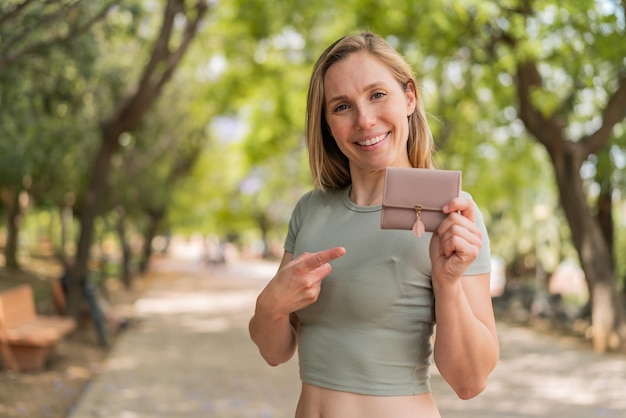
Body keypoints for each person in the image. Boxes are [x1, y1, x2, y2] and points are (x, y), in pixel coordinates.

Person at [249, 31, 499, 418]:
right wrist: (270, 306)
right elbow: (274, 351)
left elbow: (470, 382)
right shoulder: (310, 210)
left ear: (410, 98)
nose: (365, 120)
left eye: (378, 95)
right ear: (327, 123)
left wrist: (447, 283)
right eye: (342, 106)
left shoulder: (450, 214)